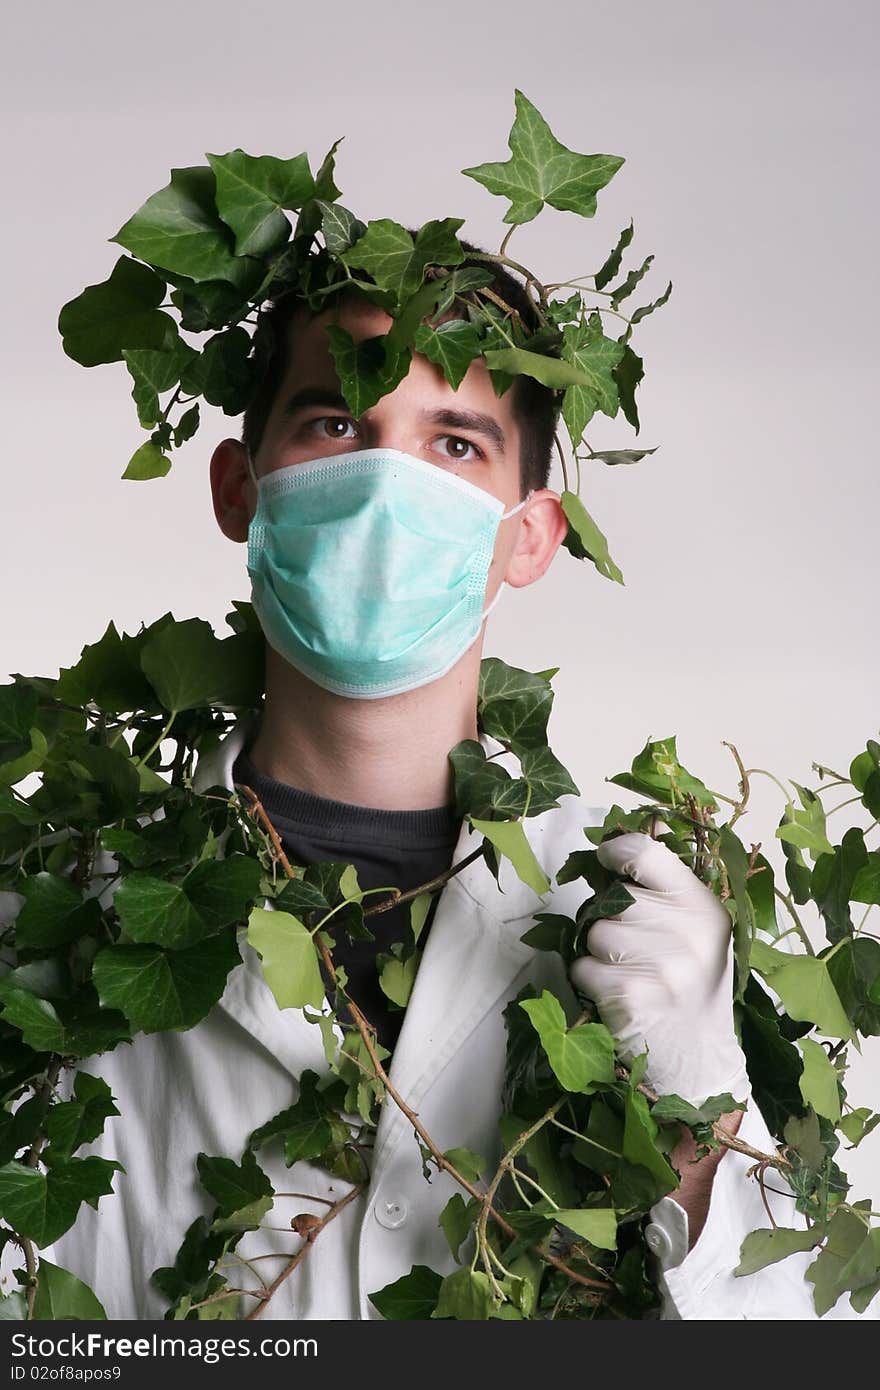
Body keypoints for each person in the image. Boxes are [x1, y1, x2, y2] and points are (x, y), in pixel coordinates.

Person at [41, 249, 853, 1321]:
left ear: (528, 539)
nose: (386, 484)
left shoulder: (668, 923)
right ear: (243, 490)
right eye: (335, 424)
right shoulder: (53, 917)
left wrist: (702, 1133)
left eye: (455, 443)